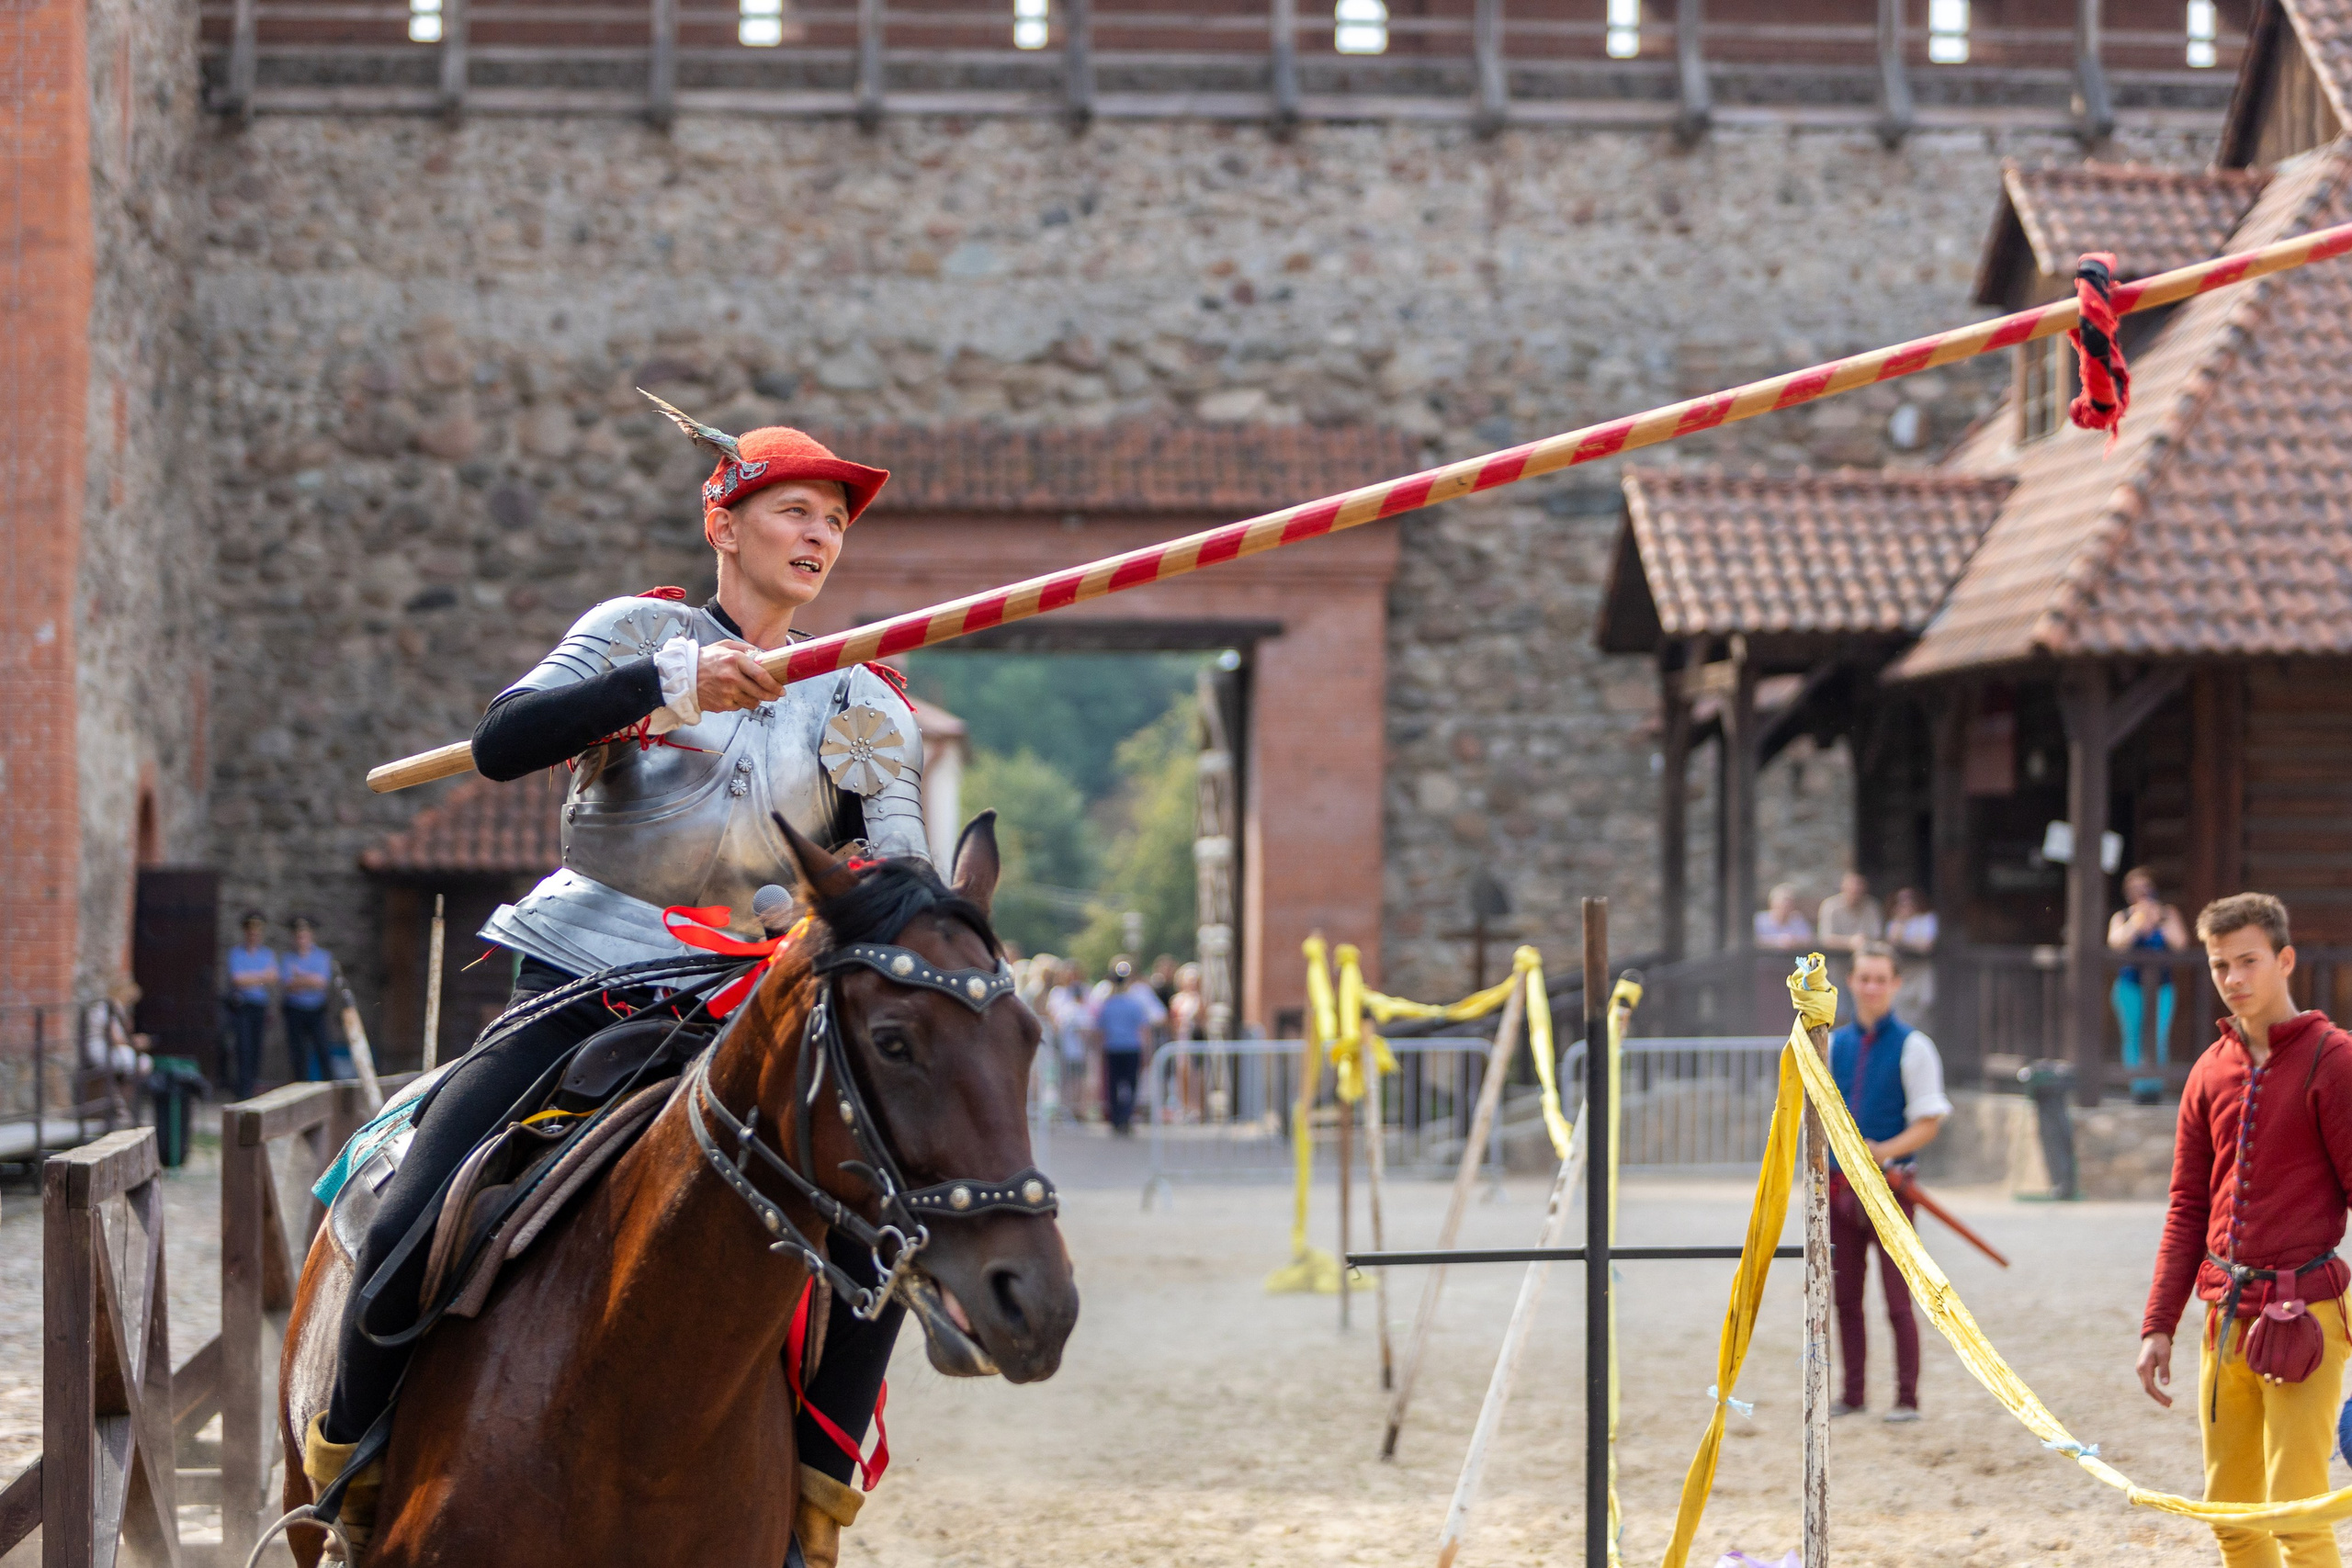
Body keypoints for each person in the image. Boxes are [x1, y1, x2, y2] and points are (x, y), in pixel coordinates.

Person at [308, 407, 921, 1568]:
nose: (818, 536)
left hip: (756, 1005)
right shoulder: (634, 631)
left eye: (834, 523)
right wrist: (670, 682)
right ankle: (349, 1472)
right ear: (723, 525)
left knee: (877, 1233)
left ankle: (810, 1507)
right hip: (590, 971)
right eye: (794, 511)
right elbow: (506, 740)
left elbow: (897, 880)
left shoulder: (865, 701)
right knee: (416, 1203)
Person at [2137, 893, 2352, 1568]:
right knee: (2230, 1518)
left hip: (2307, 1315)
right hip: (2223, 1316)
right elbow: (2186, 1209)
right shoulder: (2209, 1070)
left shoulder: (2334, 1059)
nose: (2233, 978)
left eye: (2248, 961)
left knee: (2295, 1516)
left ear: (2285, 960)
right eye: (2219, 964)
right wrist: (2158, 1324)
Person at [1826, 940, 1951, 1423]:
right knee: (1844, 1299)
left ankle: (1906, 1399)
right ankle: (1852, 1394)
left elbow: (1928, 1121)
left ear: (1895, 984)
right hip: (1839, 1191)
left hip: (1892, 1190)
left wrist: (1884, 1150)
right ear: (1852, 982)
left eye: (1881, 979)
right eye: (1864, 978)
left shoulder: (1915, 1047)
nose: (1872, 987)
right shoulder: (1832, 1044)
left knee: (1899, 1301)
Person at [2109, 865, 2190, 1106]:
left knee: (2158, 1035)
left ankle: (2155, 1087)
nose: (2141, 893)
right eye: (2135, 889)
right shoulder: (2122, 917)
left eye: (2145, 888)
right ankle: (2138, 1087)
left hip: (2162, 987)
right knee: (2133, 1035)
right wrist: (2136, 923)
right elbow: (2116, 943)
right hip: (2130, 986)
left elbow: (2180, 943)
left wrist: (2158, 922)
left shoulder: (2168, 914)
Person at [1094, 956, 1166, 1135]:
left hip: (1113, 1048)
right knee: (1131, 1084)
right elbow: (1143, 1029)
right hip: (1131, 1048)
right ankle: (1126, 1116)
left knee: (1114, 1084)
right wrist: (1147, 1051)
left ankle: (1116, 1118)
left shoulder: (1108, 1004)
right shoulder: (1134, 1004)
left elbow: (1100, 1029)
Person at [224, 912, 278, 1100]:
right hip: (242, 1006)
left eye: (257, 932)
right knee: (243, 1047)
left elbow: (273, 978)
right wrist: (261, 977)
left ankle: (252, 1085)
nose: (253, 936)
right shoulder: (237, 953)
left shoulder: (267, 954)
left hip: (259, 1006)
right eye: (250, 932)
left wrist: (251, 977)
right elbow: (237, 979)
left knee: (256, 1047)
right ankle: (243, 1089)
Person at [281, 916, 335, 1083]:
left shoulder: (323, 956)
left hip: (316, 1009)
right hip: (295, 1009)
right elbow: (288, 984)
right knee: (298, 1053)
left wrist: (299, 977)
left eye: (304, 935)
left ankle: (328, 1083)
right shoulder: (288, 958)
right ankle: (300, 1084)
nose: (301, 940)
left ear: (311, 936)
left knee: (322, 1049)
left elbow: (321, 982)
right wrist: (310, 979)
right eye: (298, 936)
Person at [1886, 887, 1939, 1028]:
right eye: (1902, 902)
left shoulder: (1927, 919)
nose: (1906, 905)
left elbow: (1925, 946)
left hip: (1921, 972)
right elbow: (1892, 941)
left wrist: (1906, 943)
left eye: (1909, 901)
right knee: (1901, 1010)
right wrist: (1901, 922)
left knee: (1924, 1008)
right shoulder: (1895, 923)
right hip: (1903, 972)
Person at [1817, 870, 1884, 954]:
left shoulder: (1871, 906)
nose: (1855, 894)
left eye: (1858, 891)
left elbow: (1877, 935)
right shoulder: (1830, 906)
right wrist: (1850, 942)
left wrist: (1864, 941)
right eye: (1852, 890)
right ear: (1843, 889)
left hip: (1867, 953)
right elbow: (1825, 939)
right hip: (1836, 955)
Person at [1755, 883, 1814, 950]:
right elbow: (1753, 940)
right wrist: (1777, 941)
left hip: (1792, 955)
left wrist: (1795, 941)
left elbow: (1808, 940)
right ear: (1772, 903)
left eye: (1790, 903)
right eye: (1784, 902)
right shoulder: (1759, 920)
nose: (1787, 905)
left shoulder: (1798, 919)